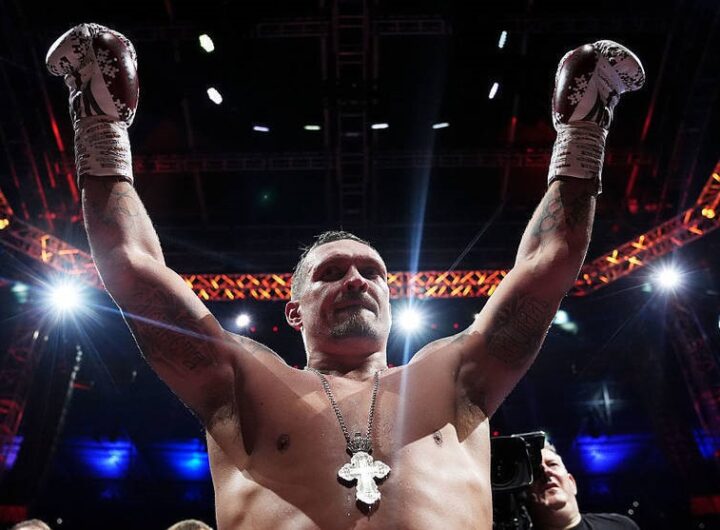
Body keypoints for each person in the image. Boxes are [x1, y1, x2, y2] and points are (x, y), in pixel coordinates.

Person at [45, 23, 644, 529]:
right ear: (294, 309)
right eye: (331, 272)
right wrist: (100, 126)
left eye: (372, 272)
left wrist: (582, 132)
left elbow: (548, 264)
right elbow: (133, 270)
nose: (356, 280)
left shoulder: (455, 374)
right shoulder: (244, 383)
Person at [528, 444, 640, 529]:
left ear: (572, 483)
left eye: (552, 464)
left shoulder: (621, 526)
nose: (546, 472)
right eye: (535, 470)